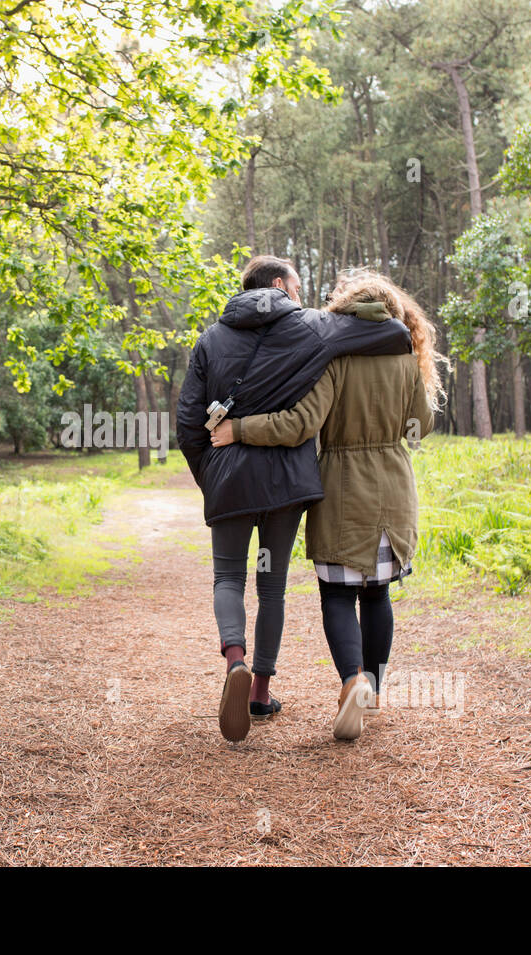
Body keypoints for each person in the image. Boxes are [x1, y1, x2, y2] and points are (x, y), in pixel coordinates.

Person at [176, 257, 412, 742]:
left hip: (230, 479)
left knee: (227, 577)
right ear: (281, 286)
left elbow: (187, 423)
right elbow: (387, 334)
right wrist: (408, 333)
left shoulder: (209, 340)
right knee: (271, 586)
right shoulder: (310, 327)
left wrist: (211, 476)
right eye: (298, 287)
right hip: (284, 483)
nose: (302, 297)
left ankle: (235, 661)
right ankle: (260, 691)